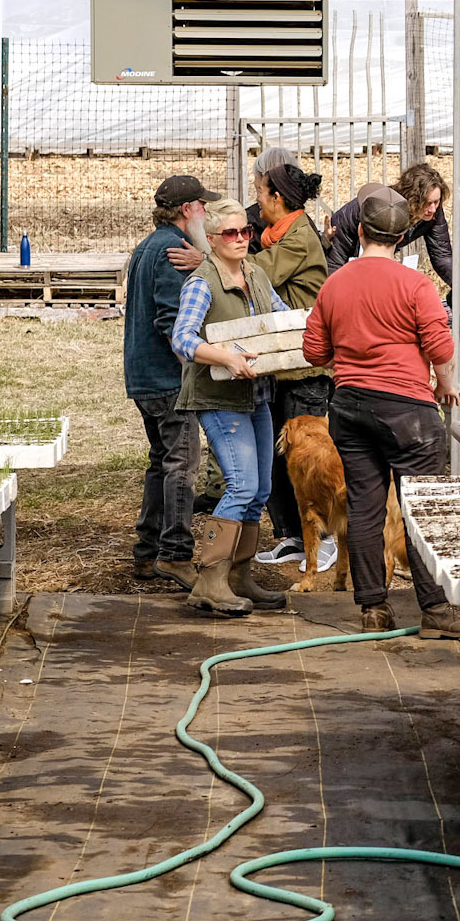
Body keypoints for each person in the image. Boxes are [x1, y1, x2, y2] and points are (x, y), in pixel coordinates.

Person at [301, 189, 460, 639]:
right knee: (422, 509)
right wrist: (445, 384)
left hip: (349, 407)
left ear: (359, 231)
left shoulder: (335, 283)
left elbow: (313, 352)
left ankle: (373, 610)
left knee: (364, 507)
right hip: (408, 413)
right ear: (403, 237)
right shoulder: (415, 285)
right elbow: (439, 346)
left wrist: (349, 361)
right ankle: (437, 612)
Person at [171, 198, 291, 617]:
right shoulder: (202, 282)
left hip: (255, 396)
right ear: (212, 237)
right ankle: (209, 580)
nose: (241, 239)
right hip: (219, 400)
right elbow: (183, 338)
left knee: (259, 490)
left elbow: (279, 319)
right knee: (240, 486)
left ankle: (238, 577)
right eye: (231, 233)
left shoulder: (256, 274)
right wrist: (225, 358)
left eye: (246, 232)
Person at [249, 154, 338, 574]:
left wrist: (211, 260)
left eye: (261, 193)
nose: (257, 201)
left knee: (309, 461)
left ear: (279, 198)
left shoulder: (299, 238)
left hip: (306, 370)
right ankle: (293, 538)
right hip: (286, 366)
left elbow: (256, 273)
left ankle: (329, 540)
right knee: (278, 458)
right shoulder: (278, 234)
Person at [123, 174, 212, 589]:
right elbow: (171, 321)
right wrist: (196, 366)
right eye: (202, 205)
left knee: (161, 462)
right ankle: (176, 553)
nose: (207, 213)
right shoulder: (173, 250)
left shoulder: (147, 246)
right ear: (186, 210)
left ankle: (147, 553)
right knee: (182, 463)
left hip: (144, 377)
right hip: (167, 378)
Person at [324, 163, 453, 295]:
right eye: (426, 203)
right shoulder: (373, 211)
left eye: (436, 202)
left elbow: (442, 255)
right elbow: (334, 263)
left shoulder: (432, 213)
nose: (433, 209)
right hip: (348, 256)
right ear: (411, 199)